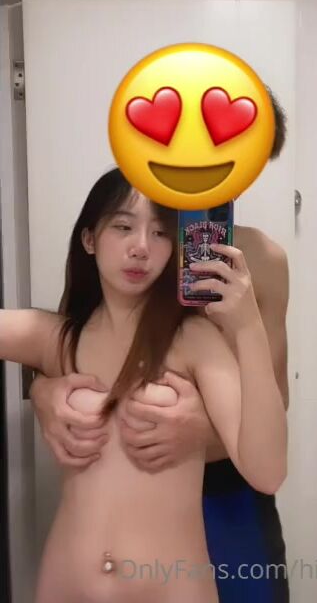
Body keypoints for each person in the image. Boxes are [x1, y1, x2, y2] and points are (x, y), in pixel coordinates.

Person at [1, 167, 287, 603]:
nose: (141, 248)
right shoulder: (55, 338)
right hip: (65, 586)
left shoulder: (194, 340)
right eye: (123, 227)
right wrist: (40, 390)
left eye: (160, 233)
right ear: (89, 239)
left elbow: (267, 472)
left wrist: (247, 325)